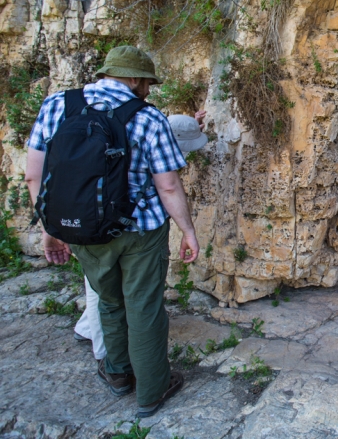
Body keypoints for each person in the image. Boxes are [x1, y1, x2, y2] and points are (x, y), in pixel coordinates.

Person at [25, 45, 199, 418]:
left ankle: (118, 373)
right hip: (142, 231)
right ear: (134, 79)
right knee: (144, 306)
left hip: (82, 230)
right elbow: (167, 185)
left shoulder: (57, 105)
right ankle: (152, 390)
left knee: (108, 300)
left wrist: (51, 229)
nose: (149, 91)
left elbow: (34, 175)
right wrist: (187, 230)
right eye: (147, 83)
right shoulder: (150, 118)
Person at [73, 110, 209, 358]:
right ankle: (104, 352)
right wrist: (187, 231)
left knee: (100, 287)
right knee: (102, 294)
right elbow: (167, 186)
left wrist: (190, 124)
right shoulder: (157, 150)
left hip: (91, 221)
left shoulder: (133, 135)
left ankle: (85, 329)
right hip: (120, 229)